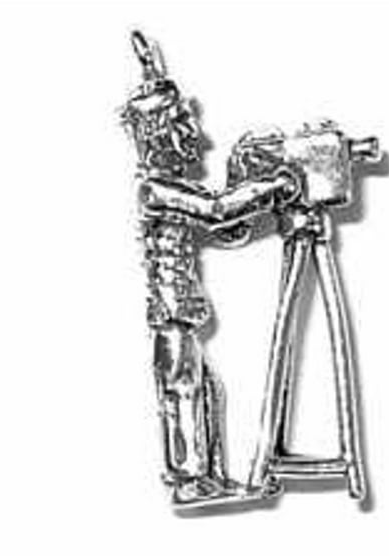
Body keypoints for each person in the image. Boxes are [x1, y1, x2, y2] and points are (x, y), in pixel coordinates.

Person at [122, 31, 300, 507]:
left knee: (206, 391)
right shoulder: (156, 190)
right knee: (181, 390)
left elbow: (225, 228)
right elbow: (218, 211)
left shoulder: (173, 189)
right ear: (160, 136)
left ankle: (210, 476)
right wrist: (270, 188)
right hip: (172, 314)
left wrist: (252, 190)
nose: (194, 137)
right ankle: (189, 479)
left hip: (182, 311)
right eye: (183, 127)